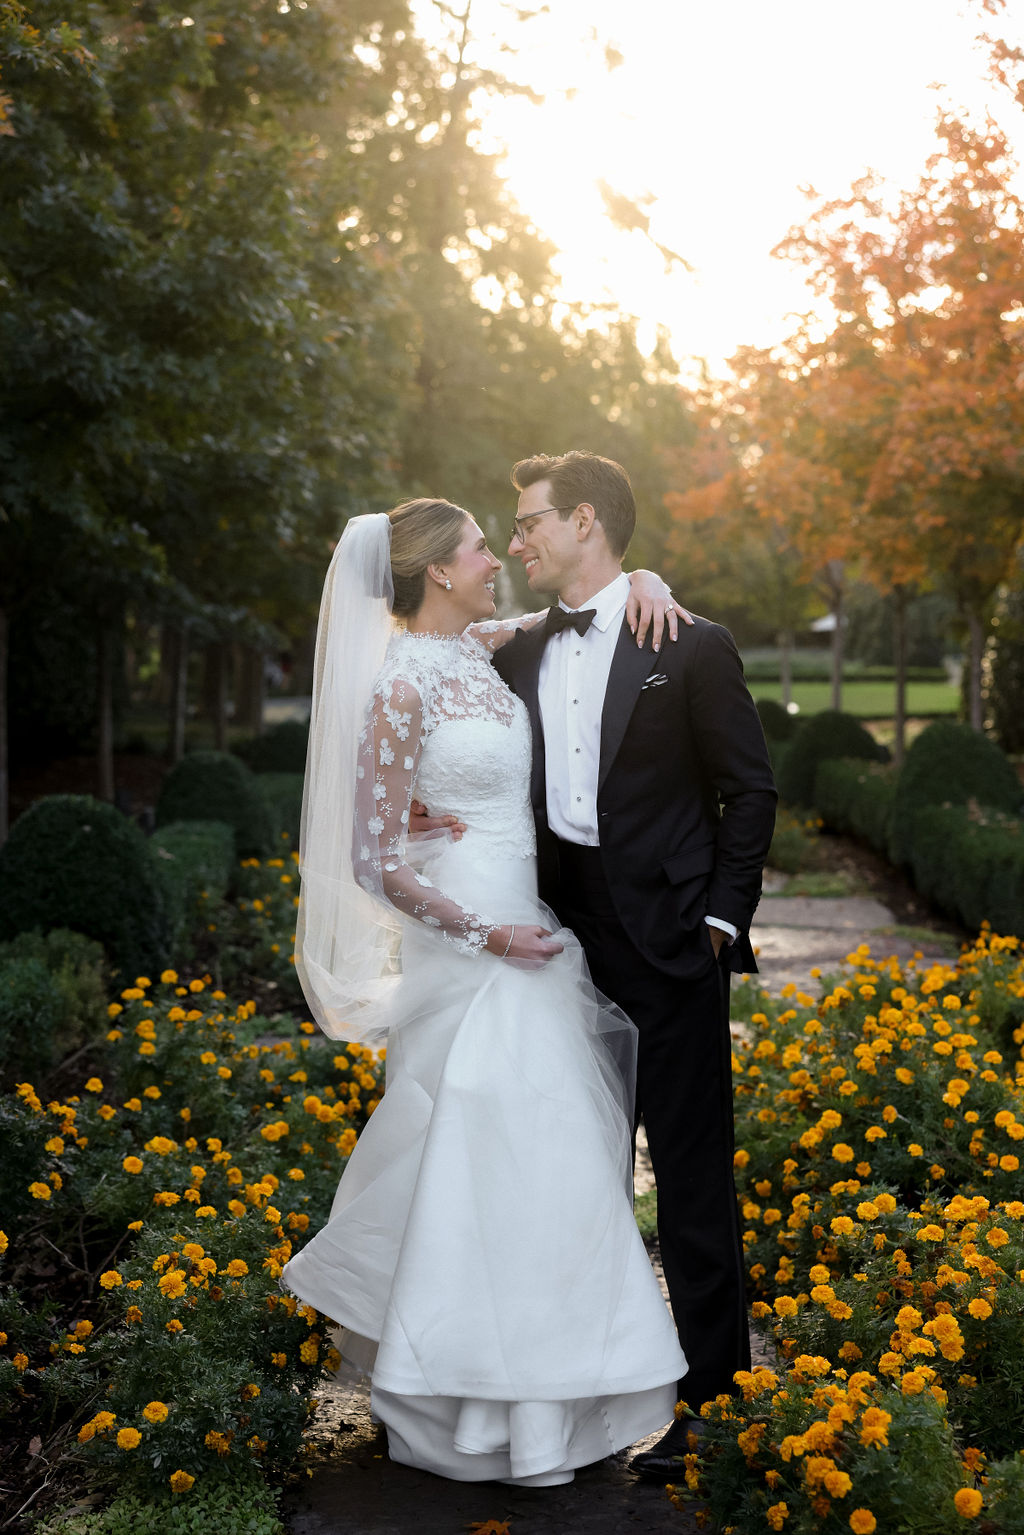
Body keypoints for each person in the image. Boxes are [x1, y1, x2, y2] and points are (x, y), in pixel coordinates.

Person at [281, 498, 691, 1487]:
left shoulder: (481, 647)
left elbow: (587, 608)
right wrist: (482, 931)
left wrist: (648, 580)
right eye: (477, 547)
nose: (496, 558)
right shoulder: (398, 686)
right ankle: (463, 1406)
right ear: (437, 570)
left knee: (546, 1163)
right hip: (470, 942)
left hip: (529, 929)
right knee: (471, 1152)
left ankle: (547, 1410)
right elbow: (373, 859)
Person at [489, 451, 778, 1479]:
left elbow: (749, 789)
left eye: (527, 523)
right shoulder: (515, 652)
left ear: (582, 520)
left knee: (694, 1184)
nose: (516, 541)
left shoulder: (688, 645)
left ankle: (717, 1405)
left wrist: (719, 920)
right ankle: (577, 1397)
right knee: (570, 1179)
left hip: (669, 946)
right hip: (558, 953)